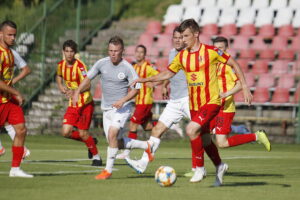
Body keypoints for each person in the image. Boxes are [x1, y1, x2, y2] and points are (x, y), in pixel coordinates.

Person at [131, 19, 257, 183]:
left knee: (191, 129)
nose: (182, 40)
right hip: (194, 105)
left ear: (196, 34)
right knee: (205, 140)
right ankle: (219, 165)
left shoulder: (211, 51)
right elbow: (167, 74)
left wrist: (245, 86)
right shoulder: (182, 56)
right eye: (181, 36)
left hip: (211, 102)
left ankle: (199, 169)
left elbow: (234, 63)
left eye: (185, 36)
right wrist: (145, 79)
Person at [185, 36, 271, 186]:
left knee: (221, 143)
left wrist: (226, 93)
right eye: (216, 48)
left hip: (224, 108)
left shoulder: (226, 67)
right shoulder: (209, 64)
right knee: (201, 135)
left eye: (222, 48)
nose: (219, 50)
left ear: (226, 49)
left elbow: (239, 84)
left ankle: (256, 136)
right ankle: (206, 168)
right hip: (211, 106)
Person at [72, 36, 153, 180]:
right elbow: (88, 78)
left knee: (112, 134)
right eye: (110, 50)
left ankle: (107, 171)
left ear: (122, 51)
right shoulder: (101, 63)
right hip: (106, 109)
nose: (113, 54)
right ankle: (146, 145)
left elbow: (137, 89)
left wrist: (123, 100)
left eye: (116, 51)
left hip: (122, 108)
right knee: (115, 142)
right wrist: (77, 91)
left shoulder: (128, 67)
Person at [125, 26, 190, 172]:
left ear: (185, 39)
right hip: (174, 100)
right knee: (156, 131)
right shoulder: (173, 53)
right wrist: (166, 85)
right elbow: (170, 72)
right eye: (176, 38)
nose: (178, 40)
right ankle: (142, 163)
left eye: (181, 38)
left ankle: (210, 165)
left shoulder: (190, 53)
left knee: (201, 133)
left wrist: (145, 80)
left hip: (189, 99)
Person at [56, 40, 102, 166]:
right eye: (67, 51)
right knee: (65, 132)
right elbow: (59, 76)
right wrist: (60, 86)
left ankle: (97, 157)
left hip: (85, 104)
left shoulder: (80, 66)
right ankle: (91, 141)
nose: (69, 54)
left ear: (75, 53)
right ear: (63, 52)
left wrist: (76, 91)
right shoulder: (61, 65)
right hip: (73, 104)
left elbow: (88, 84)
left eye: (71, 51)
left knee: (82, 133)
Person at [0, 20, 33, 178]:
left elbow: (25, 70)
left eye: (14, 35)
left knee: (21, 130)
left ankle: (15, 169)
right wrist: (16, 92)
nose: (13, 38)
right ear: (1, 34)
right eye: (9, 35)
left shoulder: (11, 53)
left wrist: (12, 91)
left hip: (8, 100)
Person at [116, 44, 160, 159]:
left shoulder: (149, 67)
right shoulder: (133, 67)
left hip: (145, 101)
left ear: (145, 54)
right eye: (137, 52)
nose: (139, 54)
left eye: (141, 52)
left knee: (133, 124)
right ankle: (167, 125)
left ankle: (126, 153)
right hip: (138, 101)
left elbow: (162, 77)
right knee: (147, 126)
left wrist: (154, 83)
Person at [0, 49, 31, 159]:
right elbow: (26, 70)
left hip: (6, 94)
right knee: (7, 122)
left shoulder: (10, 53)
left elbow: (26, 70)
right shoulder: (10, 52)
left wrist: (10, 84)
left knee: (17, 126)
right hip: (8, 93)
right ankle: (21, 151)